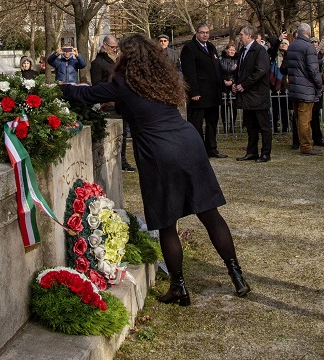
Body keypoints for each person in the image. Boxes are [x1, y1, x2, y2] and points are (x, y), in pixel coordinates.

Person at [60, 35, 251, 303]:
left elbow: (87, 93)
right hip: (188, 143)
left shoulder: (123, 83)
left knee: (166, 223)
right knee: (210, 214)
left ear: (126, 57)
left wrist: (61, 88)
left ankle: (179, 287)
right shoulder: (163, 78)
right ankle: (237, 275)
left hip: (158, 151)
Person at [180, 24, 227, 158]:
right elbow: (189, 72)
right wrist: (193, 92)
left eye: (207, 32)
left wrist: (221, 88)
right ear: (196, 33)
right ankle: (197, 151)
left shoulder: (211, 47)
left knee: (212, 123)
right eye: (202, 33)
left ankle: (211, 149)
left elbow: (217, 68)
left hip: (213, 93)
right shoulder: (189, 48)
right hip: (199, 94)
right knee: (197, 124)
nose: (205, 35)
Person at [91, 34, 134, 172]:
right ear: (104, 45)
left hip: (122, 102)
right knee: (113, 135)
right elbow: (97, 85)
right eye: (112, 47)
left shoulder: (117, 61)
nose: (115, 50)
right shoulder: (98, 63)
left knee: (123, 134)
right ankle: (113, 161)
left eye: (116, 47)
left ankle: (122, 161)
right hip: (109, 105)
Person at [282, 23, 324, 156]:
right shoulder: (308, 47)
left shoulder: (292, 46)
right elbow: (313, 69)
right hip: (306, 88)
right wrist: (319, 83)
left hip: (294, 86)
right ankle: (306, 146)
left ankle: (301, 142)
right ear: (309, 32)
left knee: (298, 118)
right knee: (305, 118)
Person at [233, 26, 273, 162]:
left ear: (249, 36)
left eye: (242, 34)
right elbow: (240, 71)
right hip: (247, 96)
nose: (240, 37)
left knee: (264, 126)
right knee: (250, 125)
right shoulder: (243, 51)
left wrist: (244, 85)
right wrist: (236, 84)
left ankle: (266, 153)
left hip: (258, 95)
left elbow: (260, 71)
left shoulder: (259, 51)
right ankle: (252, 151)